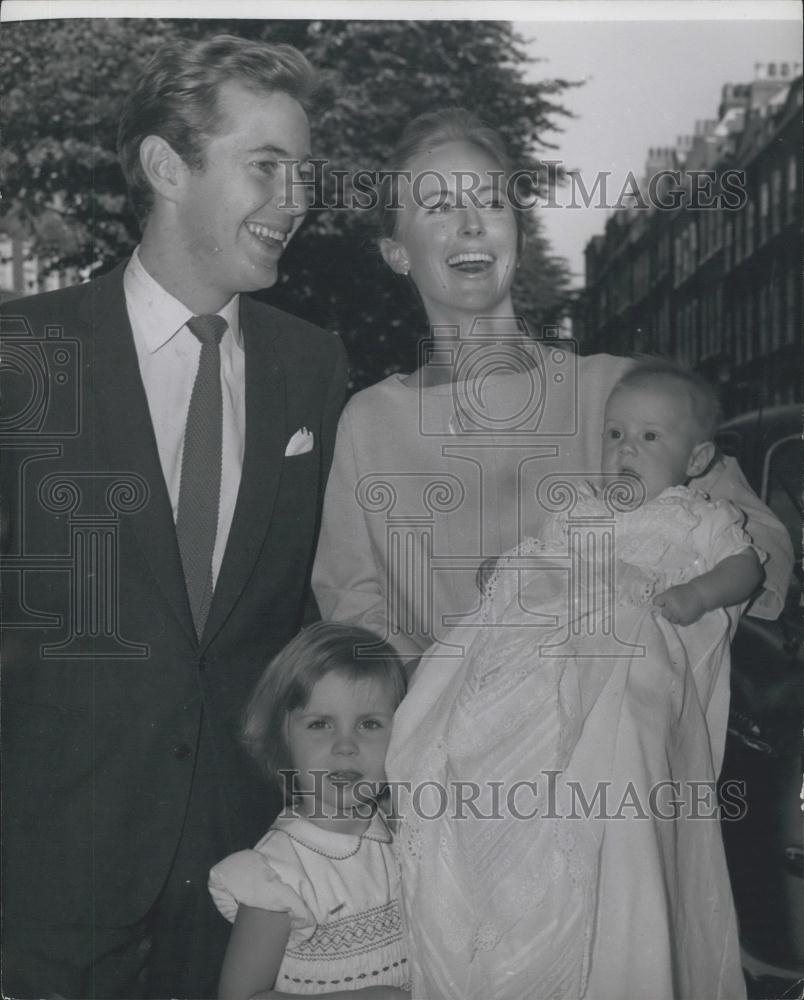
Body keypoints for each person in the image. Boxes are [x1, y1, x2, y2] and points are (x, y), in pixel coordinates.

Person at [1, 35, 347, 999]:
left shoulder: (312, 367)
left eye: (305, 171)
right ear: (165, 167)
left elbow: (305, 612)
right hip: (48, 878)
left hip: (245, 878)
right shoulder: (25, 353)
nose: (298, 198)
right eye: (266, 167)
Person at [312, 109, 792, 665]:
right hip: (439, 738)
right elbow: (352, 607)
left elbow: (763, 551)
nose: (472, 224)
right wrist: (438, 691)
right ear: (397, 253)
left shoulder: (621, 391)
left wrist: (633, 595)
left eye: (492, 202)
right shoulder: (369, 422)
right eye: (440, 207)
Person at [387, 361, 764, 999]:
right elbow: (533, 562)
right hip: (540, 663)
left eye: (650, 438)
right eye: (614, 435)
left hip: (625, 666)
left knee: (607, 790)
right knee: (474, 737)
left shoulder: (697, 518)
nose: (625, 450)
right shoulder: (577, 513)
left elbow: (746, 569)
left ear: (697, 458)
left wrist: (699, 594)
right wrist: (503, 575)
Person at [208, 622, 410, 999]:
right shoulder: (280, 873)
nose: (345, 745)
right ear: (282, 736)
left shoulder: (399, 837)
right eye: (320, 724)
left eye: (369, 724)